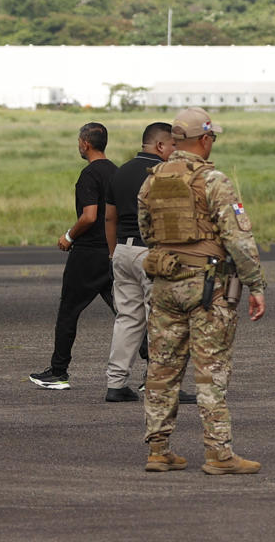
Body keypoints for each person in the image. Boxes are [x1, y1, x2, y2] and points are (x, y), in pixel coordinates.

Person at [137, 109, 266, 475]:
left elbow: (148, 232)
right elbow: (238, 240)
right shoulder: (214, 181)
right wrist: (255, 284)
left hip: (165, 284)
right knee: (210, 372)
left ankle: (159, 450)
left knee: (161, 370)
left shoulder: (151, 181)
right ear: (205, 140)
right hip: (208, 287)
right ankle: (219, 454)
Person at [29, 122, 116, 390]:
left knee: (69, 311)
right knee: (127, 313)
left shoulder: (89, 175)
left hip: (88, 253)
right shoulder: (117, 172)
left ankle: (58, 371)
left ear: (85, 144)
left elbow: (89, 216)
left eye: (79, 141)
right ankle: (153, 370)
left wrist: (69, 236)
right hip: (114, 252)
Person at [102, 121, 175, 401]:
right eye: (173, 146)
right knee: (161, 320)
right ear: (159, 145)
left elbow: (110, 217)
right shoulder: (162, 173)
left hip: (123, 250)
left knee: (127, 320)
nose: (175, 151)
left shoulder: (120, 173)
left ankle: (116, 383)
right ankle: (162, 385)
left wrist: (113, 254)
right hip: (152, 252)